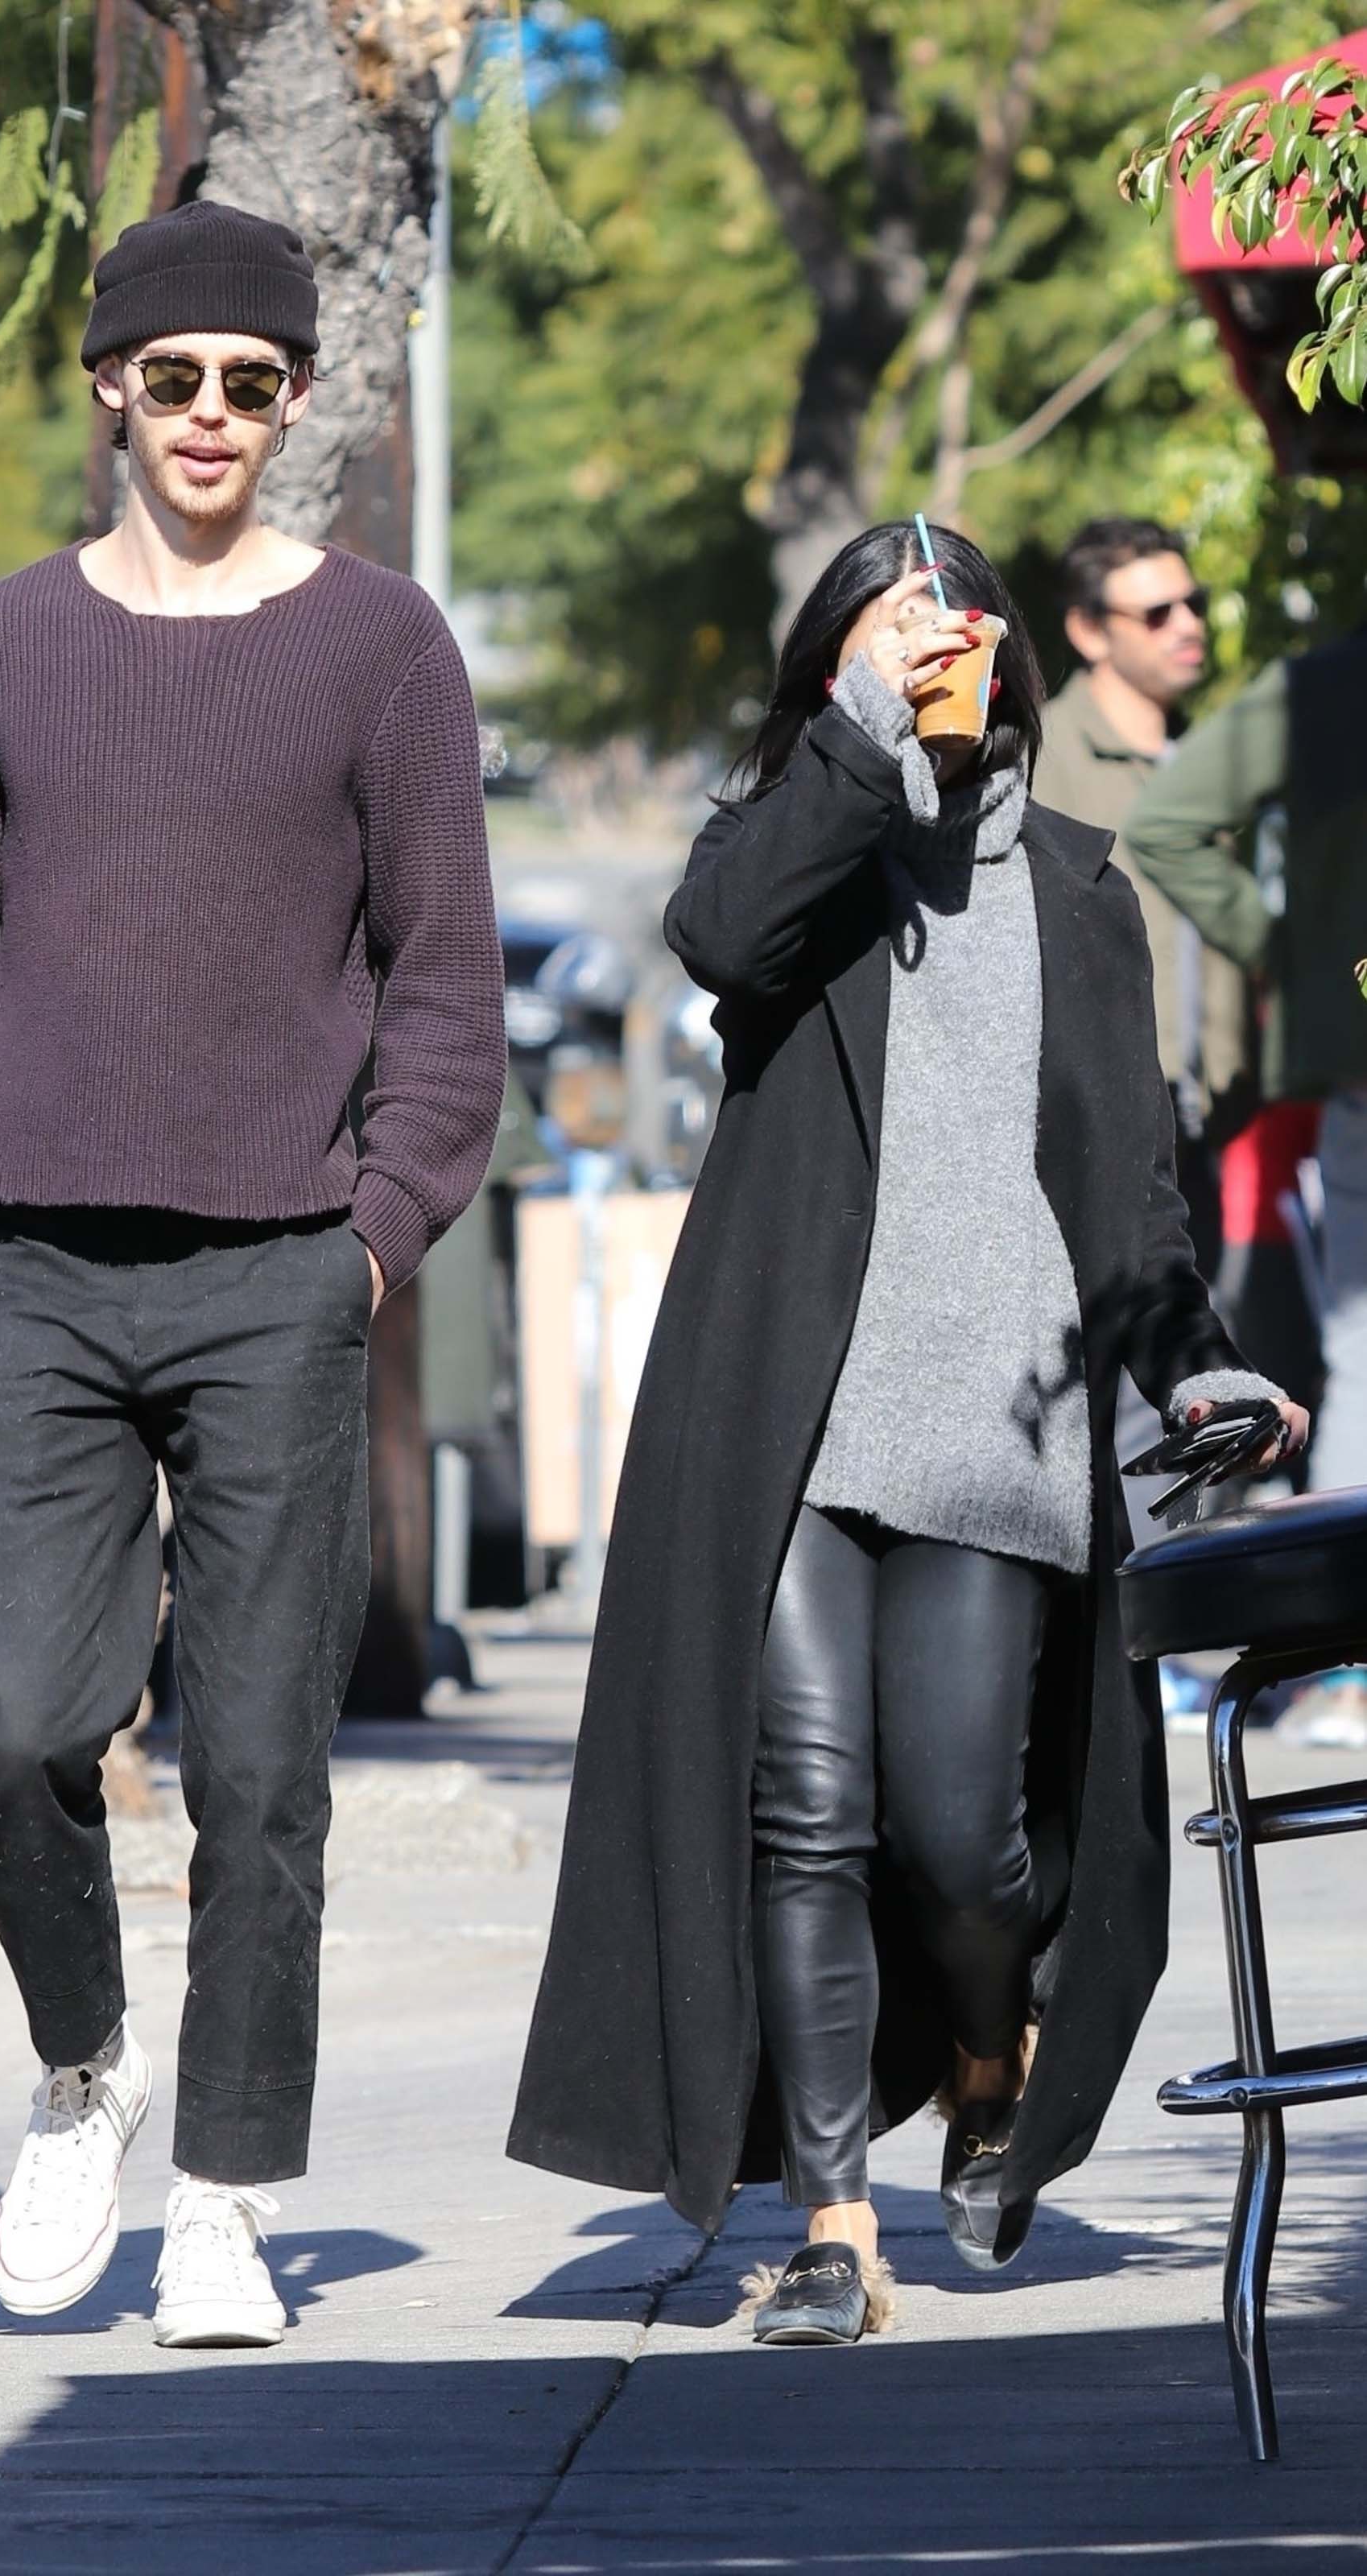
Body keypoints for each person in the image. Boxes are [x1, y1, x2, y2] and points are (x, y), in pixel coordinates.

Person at [0, 200, 506, 2349]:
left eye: (247, 384)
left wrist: (369, 1240)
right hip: (30, 1268)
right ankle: (81, 2066)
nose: (205, 416)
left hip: (281, 1269)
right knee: (3, 1718)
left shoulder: (382, 650)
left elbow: (446, 998)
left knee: (260, 1763)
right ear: (107, 388)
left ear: (289, 404)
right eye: (168, 376)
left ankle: (230, 2194)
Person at [508, 523, 1305, 2349]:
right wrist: (860, 735)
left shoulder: (1084, 898)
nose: (924, 652)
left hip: (995, 1420)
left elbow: (1132, 1205)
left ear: (1013, 661)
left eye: (948, 630)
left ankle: (980, 2046)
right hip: (792, 1403)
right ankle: (828, 2225)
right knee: (805, 1810)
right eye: (881, 632)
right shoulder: (796, 857)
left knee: (959, 1838)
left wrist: (1189, 1371)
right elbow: (713, 940)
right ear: (834, 672)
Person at [1121, 625, 1367, 1496]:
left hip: (1356, 1071)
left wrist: (1300, 961)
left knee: (1362, 1365)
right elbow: (1168, 825)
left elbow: (1167, 821)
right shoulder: (1326, 688)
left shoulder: (1326, 687)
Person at [1036, 517, 1247, 1275]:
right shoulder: (1042, 760)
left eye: (1192, 603)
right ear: (1089, 632)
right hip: (1093, 1141)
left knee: (1207, 1375)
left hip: (1203, 1128)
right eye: (1156, 613)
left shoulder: (1205, 756)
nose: (1187, 625)